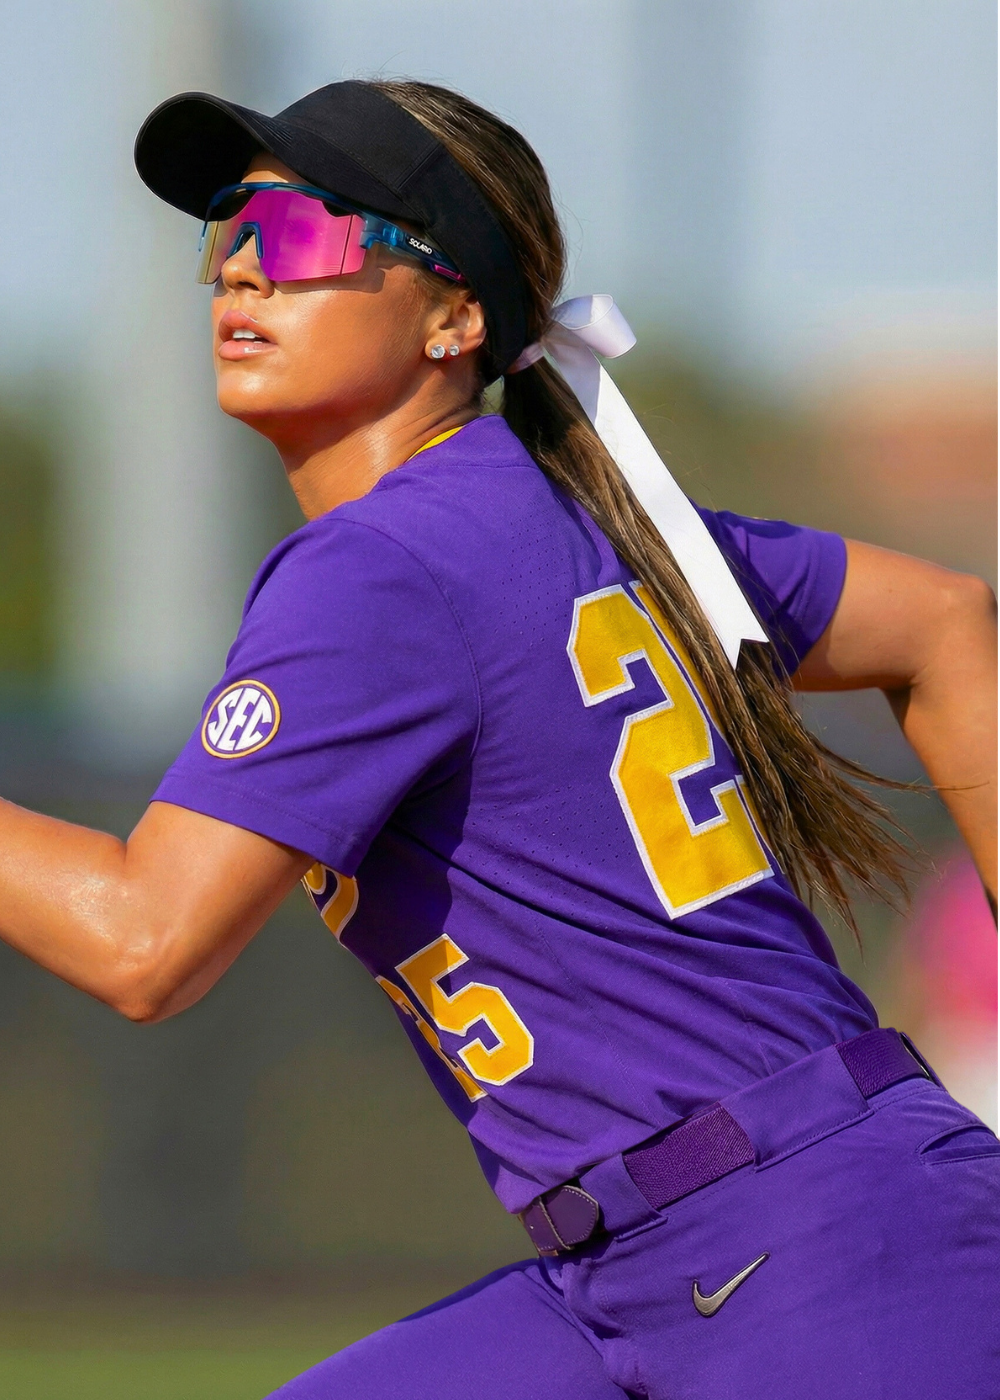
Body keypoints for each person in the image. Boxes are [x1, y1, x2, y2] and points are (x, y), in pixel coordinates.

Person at [3, 78, 997, 1399]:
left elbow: (145, 942)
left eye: (305, 237)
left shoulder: (386, 563)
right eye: (228, 235)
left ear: (456, 317)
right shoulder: (573, 518)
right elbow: (946, 619)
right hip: (655, 1261)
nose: (243, 270)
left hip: (814, 1250)